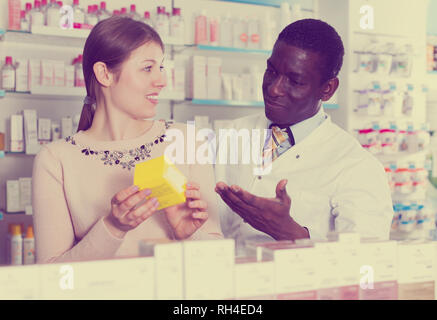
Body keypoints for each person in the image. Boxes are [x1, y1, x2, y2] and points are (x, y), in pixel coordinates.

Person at [32, 16, 222, 264]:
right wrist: (113, 227)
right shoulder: (56, 159)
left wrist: (190, 236)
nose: (162, 81)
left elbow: (219, 259)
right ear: (104, 74)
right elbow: (50, 277)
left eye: (161, 67)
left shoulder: (186, 141)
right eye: (147, 68)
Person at [215, 19, 394, 249]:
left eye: (294, 80)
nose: (274, 88)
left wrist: (290, 233)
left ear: (327, 89)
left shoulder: (357, 167)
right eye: (271, 71)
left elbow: (366, 262)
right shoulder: (231, 134)